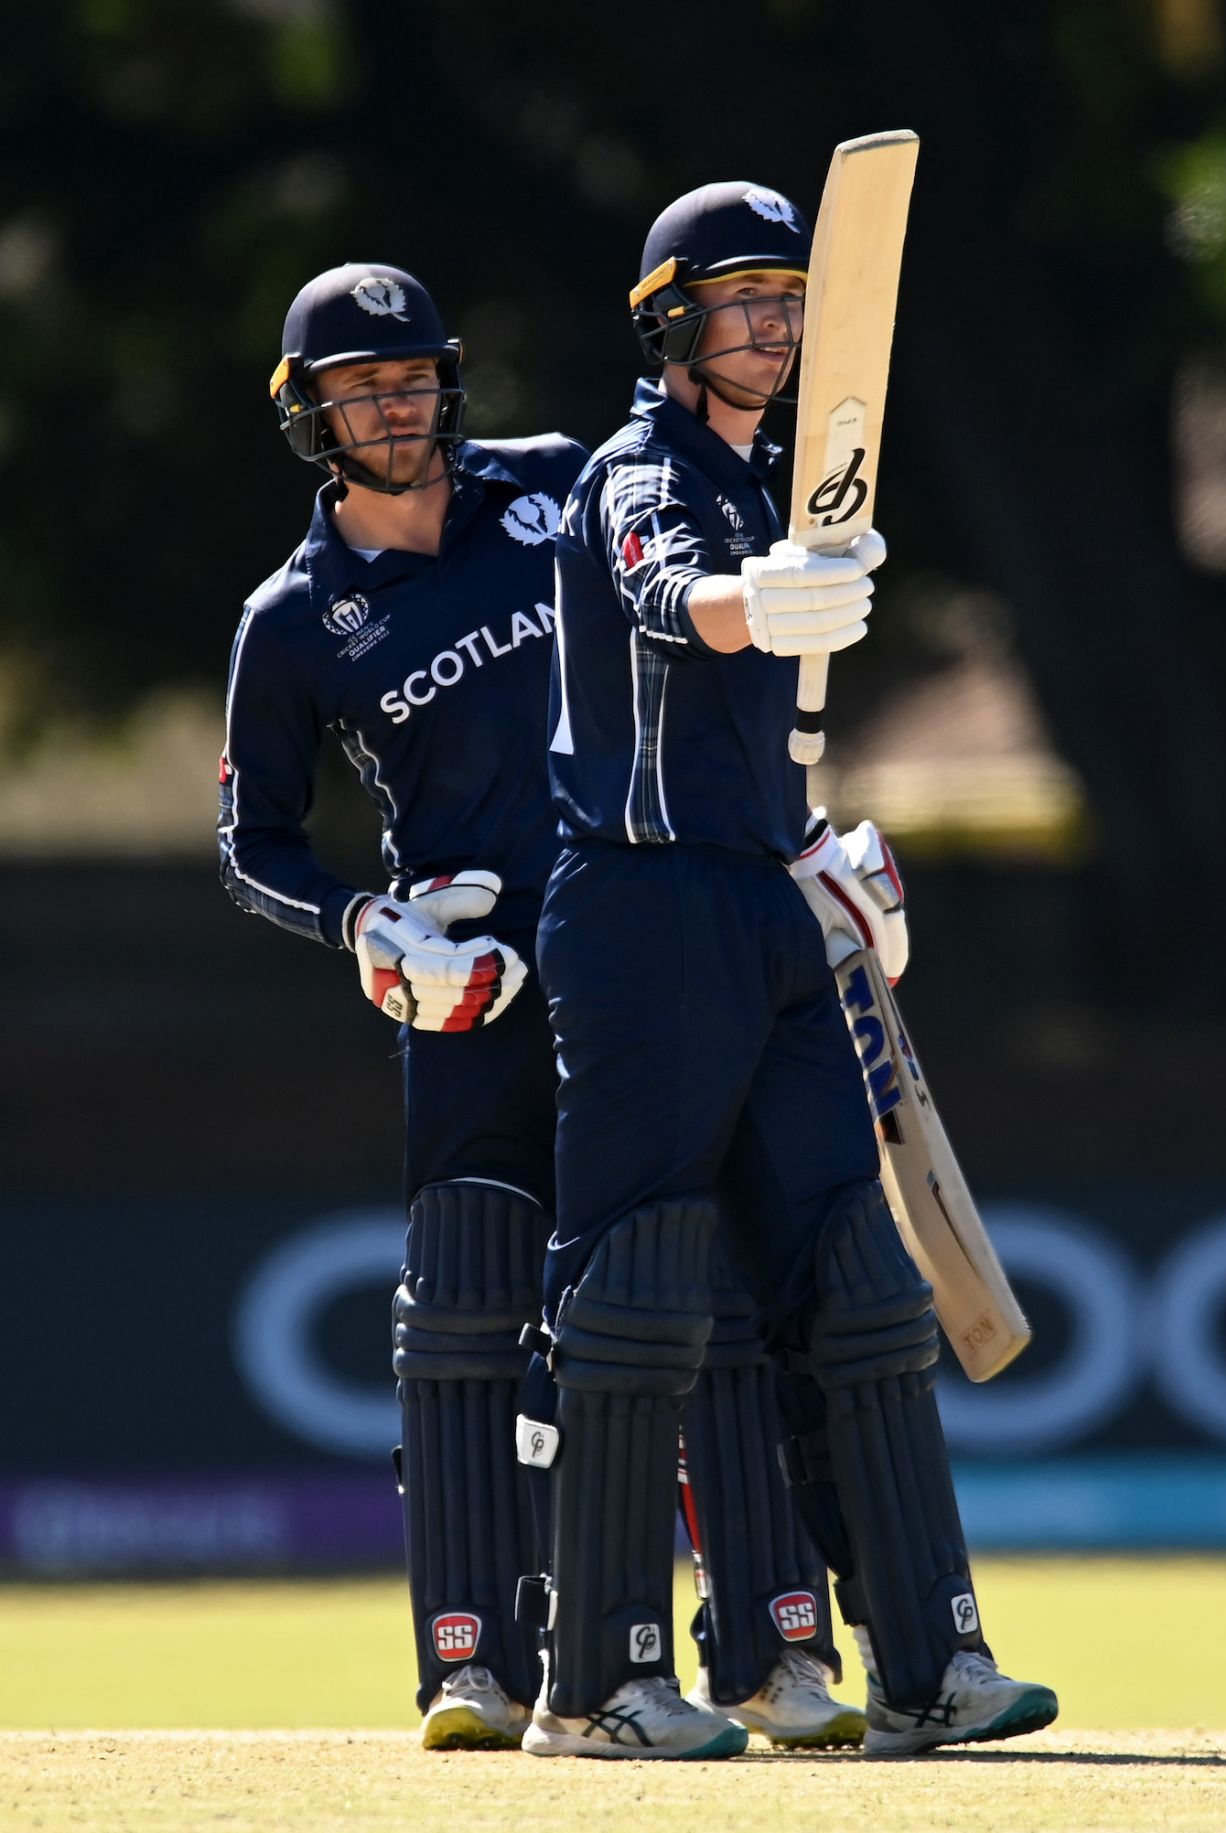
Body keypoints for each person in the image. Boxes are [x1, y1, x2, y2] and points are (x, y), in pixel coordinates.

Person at [219, 260, 867, 1754]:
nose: (395, 409)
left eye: (412, 379)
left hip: (645, 940)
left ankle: (771, 1650)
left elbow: (713, 666)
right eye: (360, 391)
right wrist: (367, 923)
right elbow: (253, 844)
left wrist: (800, 836)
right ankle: (477, 1661)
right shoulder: (294, 619)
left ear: (451, 381)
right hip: (474, 981)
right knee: (464, 1305)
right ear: (311, 416)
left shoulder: (562, 485)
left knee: (696, 1289)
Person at [524, 181, 1060, 1760]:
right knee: (638, 1283)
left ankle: (928, 1661)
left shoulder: (777, 490)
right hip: (638, 908)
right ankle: (597, 1682)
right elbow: (663, 592)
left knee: (856, 1276)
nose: (773, 324)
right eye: (741, 299)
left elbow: (756, 729)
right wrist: (752, 597)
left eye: (788, 300)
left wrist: (819, 847)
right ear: (670, 323)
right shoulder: (637, 472)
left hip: (764, 899)